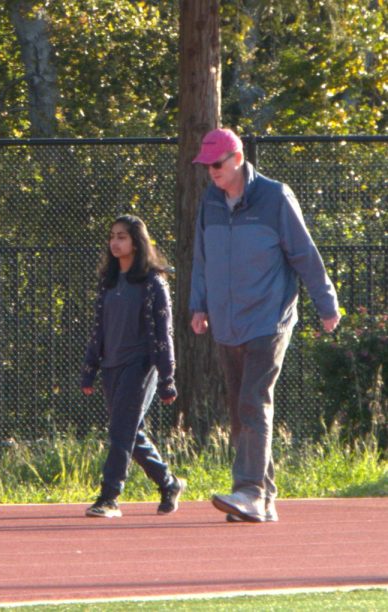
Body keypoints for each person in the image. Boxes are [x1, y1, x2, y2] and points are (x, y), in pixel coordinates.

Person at [190, 128, 340, 523]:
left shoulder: (275, 197)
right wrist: (199, 304)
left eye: (217, 164)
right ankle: (265, 499)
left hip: (268, 318)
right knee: (240, 411)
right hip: (227, 322)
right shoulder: (210, 201)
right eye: (207, 166)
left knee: (253, 401)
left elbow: (304, 253)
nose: (212, 172)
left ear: (238, 158)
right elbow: (202, 258)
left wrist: (325, 302)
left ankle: (249, 491)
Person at [81, 215, 184, 519]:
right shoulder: (109, 282)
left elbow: (164, 334)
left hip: (139, 366)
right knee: (130, 432)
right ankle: (168, 483)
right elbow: (99, 329)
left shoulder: (154, 283)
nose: (115, 242)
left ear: (137, 242)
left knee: (120, 430)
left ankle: (109, 496)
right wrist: (90, 367)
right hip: (111, 365)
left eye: (122, 236)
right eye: (112, 236)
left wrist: (167, 377)